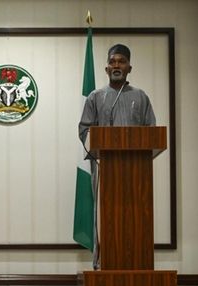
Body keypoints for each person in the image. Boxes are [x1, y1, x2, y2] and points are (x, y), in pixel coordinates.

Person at [78, 43, 156, 268]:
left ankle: (138, 265)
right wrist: (99, 143)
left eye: (121, 61)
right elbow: (84, 129)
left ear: (130, 67)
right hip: (105, 168)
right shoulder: (96, 96)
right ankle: (103, 263)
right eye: (112, 62)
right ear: (106, 68)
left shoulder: (140, 97)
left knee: (135, 215)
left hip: (136, 172)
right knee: (106, 217)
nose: (116, 66)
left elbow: (151, 131)